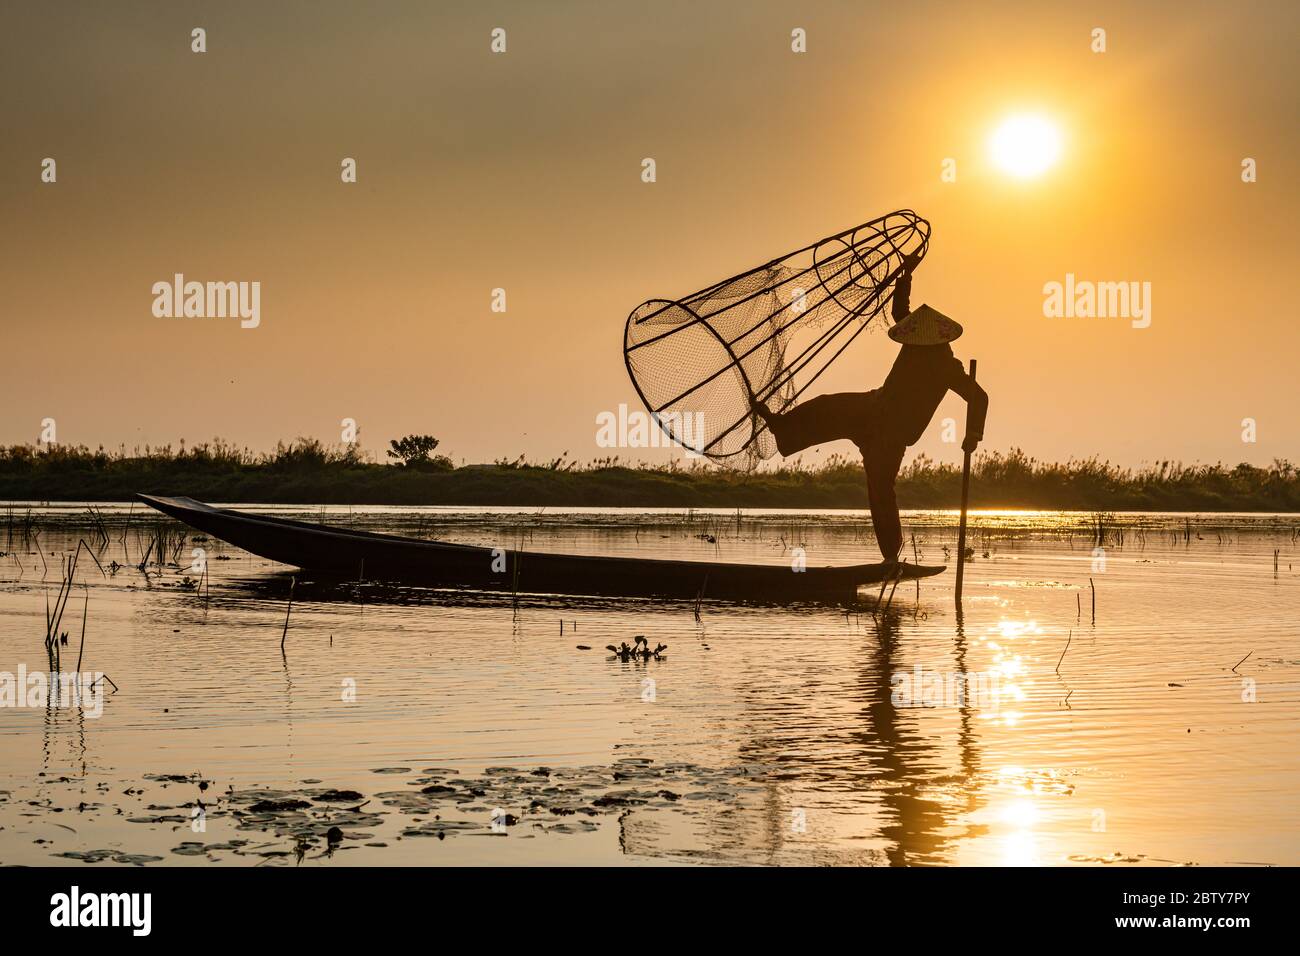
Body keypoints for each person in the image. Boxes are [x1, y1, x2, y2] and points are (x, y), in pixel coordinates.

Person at [755, 258, 987, 566]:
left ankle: (891, 558)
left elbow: (979, 397)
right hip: (871, 410)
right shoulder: (915, 341)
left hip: (891, 434)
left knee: (880, 491)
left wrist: (973, 435)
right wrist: (906, 275)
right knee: (826, 407)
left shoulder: (948, 367)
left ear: (938, 340)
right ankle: (782, 428)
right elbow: (899, 312)